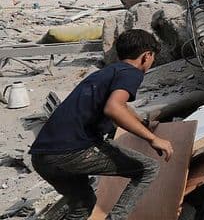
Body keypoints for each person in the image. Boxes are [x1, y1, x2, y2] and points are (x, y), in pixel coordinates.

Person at [29, 29, 173, 220]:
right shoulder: (132, 73)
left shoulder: (107, 72)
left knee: (82, 206)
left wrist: (143, 123)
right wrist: (153, 138)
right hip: (74, 152)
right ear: (147, 56)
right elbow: (114, 108)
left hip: (42, 157)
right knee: (148, 169)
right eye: (153, 57)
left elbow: (121, 106)